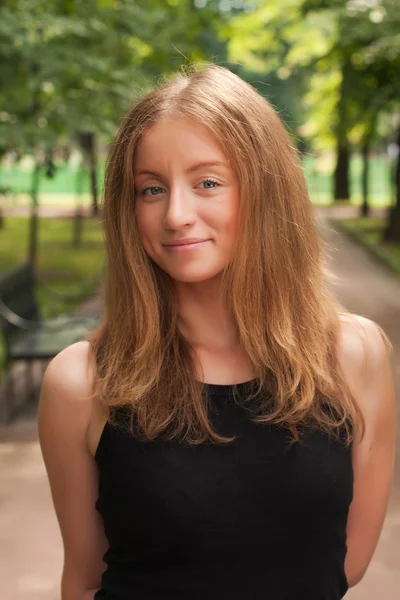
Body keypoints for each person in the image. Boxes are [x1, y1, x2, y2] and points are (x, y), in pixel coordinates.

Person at [38, 65, 396, 600]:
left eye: (207, 182)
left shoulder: (355, 356)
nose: (176, 214)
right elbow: (85, 581)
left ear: (267, 190)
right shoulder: (80, 383)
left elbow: (344, 563)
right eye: (151, 189)